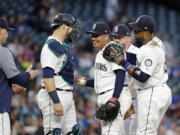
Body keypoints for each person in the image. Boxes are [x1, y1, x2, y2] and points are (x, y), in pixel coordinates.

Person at [103, 15, 172, 135]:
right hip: (156, 91)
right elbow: (139, 58)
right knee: (138, 131)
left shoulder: (151, 49)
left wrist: (122, 61)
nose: (134, 32)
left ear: (146, 33)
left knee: (145, 132)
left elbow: (142, 77)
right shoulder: (155, 43)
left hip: (152, 92)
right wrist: (123, 55)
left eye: (138, 30)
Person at [76, 22, 132, 135]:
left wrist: (114, 98)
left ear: (106, 36)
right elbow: (105, 80)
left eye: (96, 35)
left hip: (114, 96)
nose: (93, 38)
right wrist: (86, 82)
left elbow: (121, 74)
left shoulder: (112, 48)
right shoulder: (100, 53)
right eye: (92, 35)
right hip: (107, 95)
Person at [37, 13, 82, 135]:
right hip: (54, 96)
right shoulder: (52, 46)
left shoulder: (62, 46)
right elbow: (47, 77)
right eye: (72, 27)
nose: (74, 31)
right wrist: (56, 101)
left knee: (73, 132)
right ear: (63, 27)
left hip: (66, 94)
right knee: (53, 132)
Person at [0, 18, 39, 135]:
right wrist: (29, 74)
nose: (8, 35)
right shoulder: (2, 51)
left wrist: (9, 88)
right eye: (7, 31)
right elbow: (18, 78)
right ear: (1, 31)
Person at [110, 24, 140, 135]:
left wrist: (127, 95)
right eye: (114, 37)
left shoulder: (137, 53)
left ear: (128, 38)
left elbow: (139, 77)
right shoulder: (112, 53)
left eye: (119, 37)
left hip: (135, 99)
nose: (115, 40)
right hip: (120, 98)